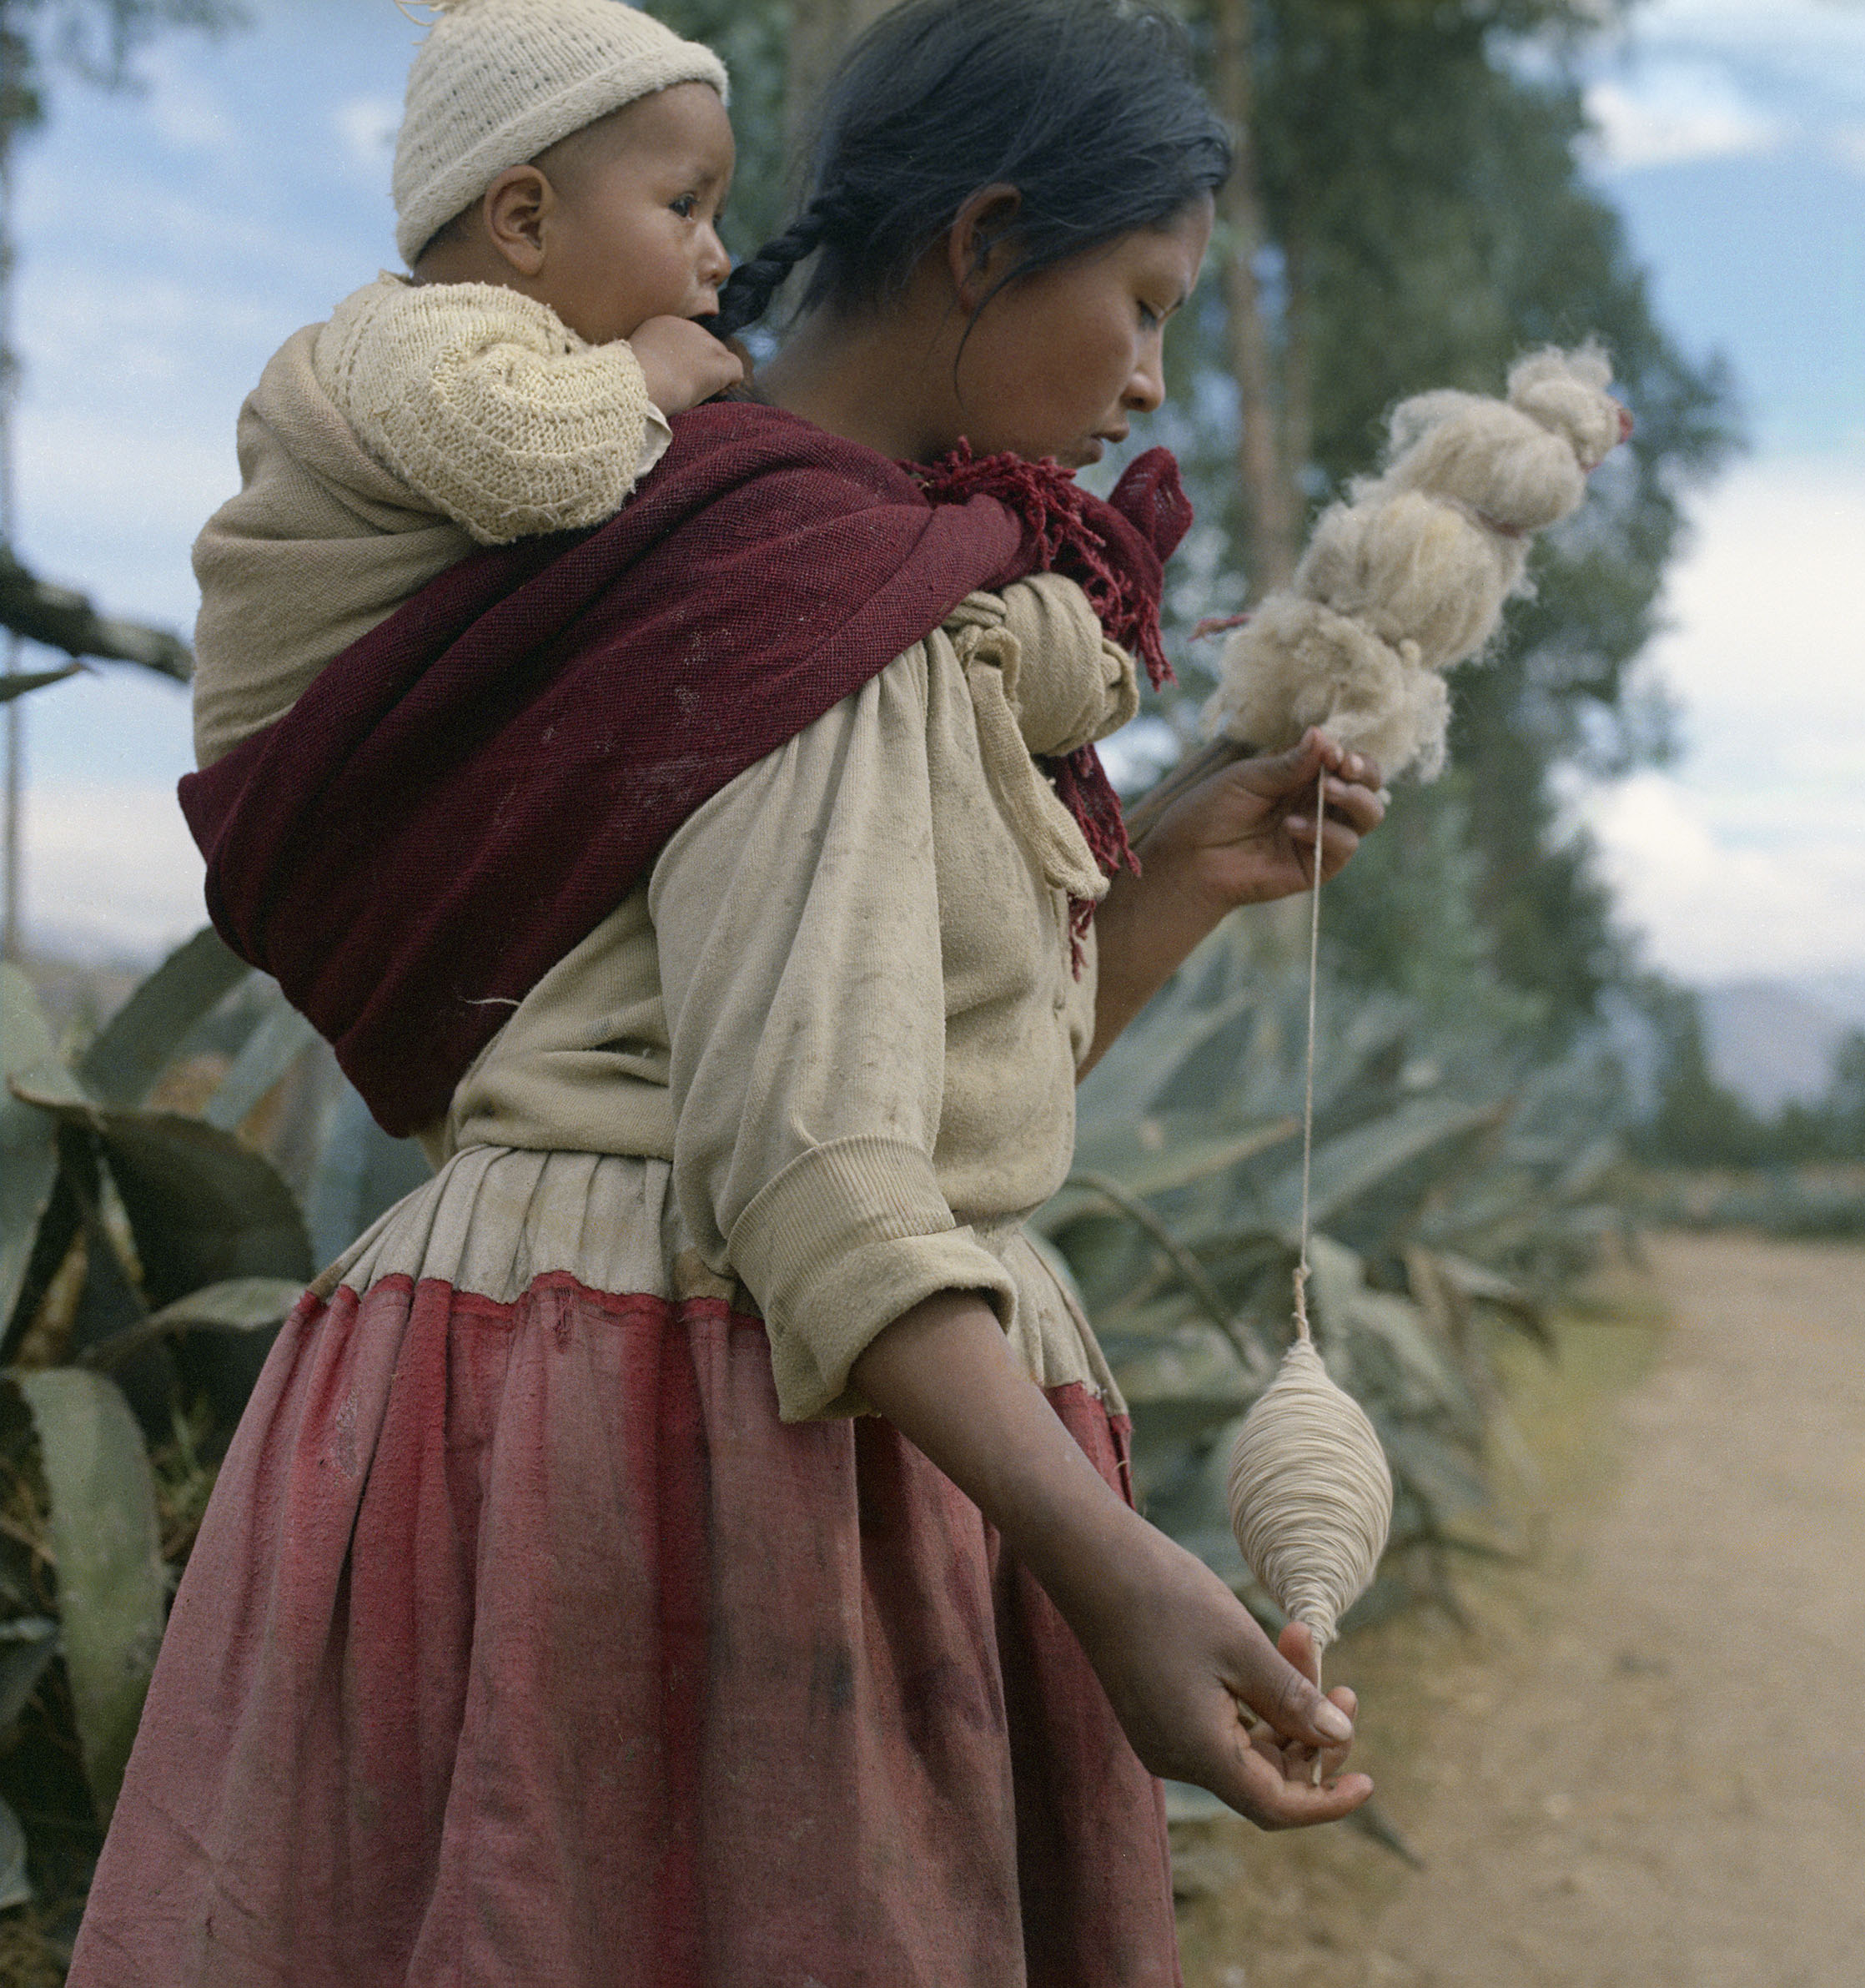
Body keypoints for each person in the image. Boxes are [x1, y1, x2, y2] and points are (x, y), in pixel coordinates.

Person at [72, 2, 1389, 1982]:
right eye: (1135, 302)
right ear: (982, 240)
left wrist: (1181, 870)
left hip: (562, 1377)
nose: (1146, 379)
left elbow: (897, 1096)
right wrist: (1117, 1571)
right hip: (688, 1417)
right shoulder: (811, 594)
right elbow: (821, 1178)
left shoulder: (808, 572)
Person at [189, 0, 745, 771]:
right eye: (686, 206)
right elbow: (508, 454)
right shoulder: (417, 330)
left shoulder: (530, 347)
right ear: (525, 221)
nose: (718, 256)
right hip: (308, 757)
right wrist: (653, 375)